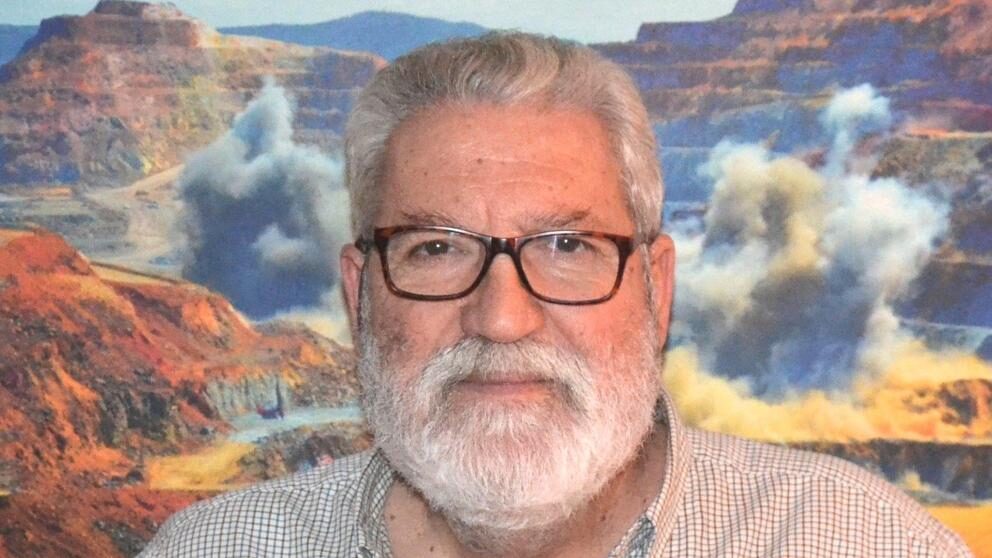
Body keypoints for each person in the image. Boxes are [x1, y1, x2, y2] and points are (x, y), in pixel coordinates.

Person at [139, 32, 973, 558]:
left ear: (656, 289)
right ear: (361, 298)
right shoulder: (213, 551)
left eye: (567, 246)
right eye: (436, 248)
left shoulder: (869, 544)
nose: (502, 318)